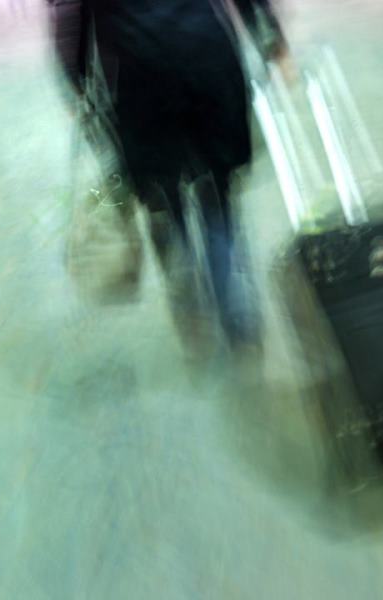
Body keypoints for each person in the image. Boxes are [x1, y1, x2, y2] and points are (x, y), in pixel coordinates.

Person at [47, 0, 288, 353]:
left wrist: (77, 84)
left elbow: (69, 15)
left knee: (164, 200)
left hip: (137, 78)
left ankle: (190, 305)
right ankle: (238, 318)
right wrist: (271, 40)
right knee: (218, 197)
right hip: (207, 59)